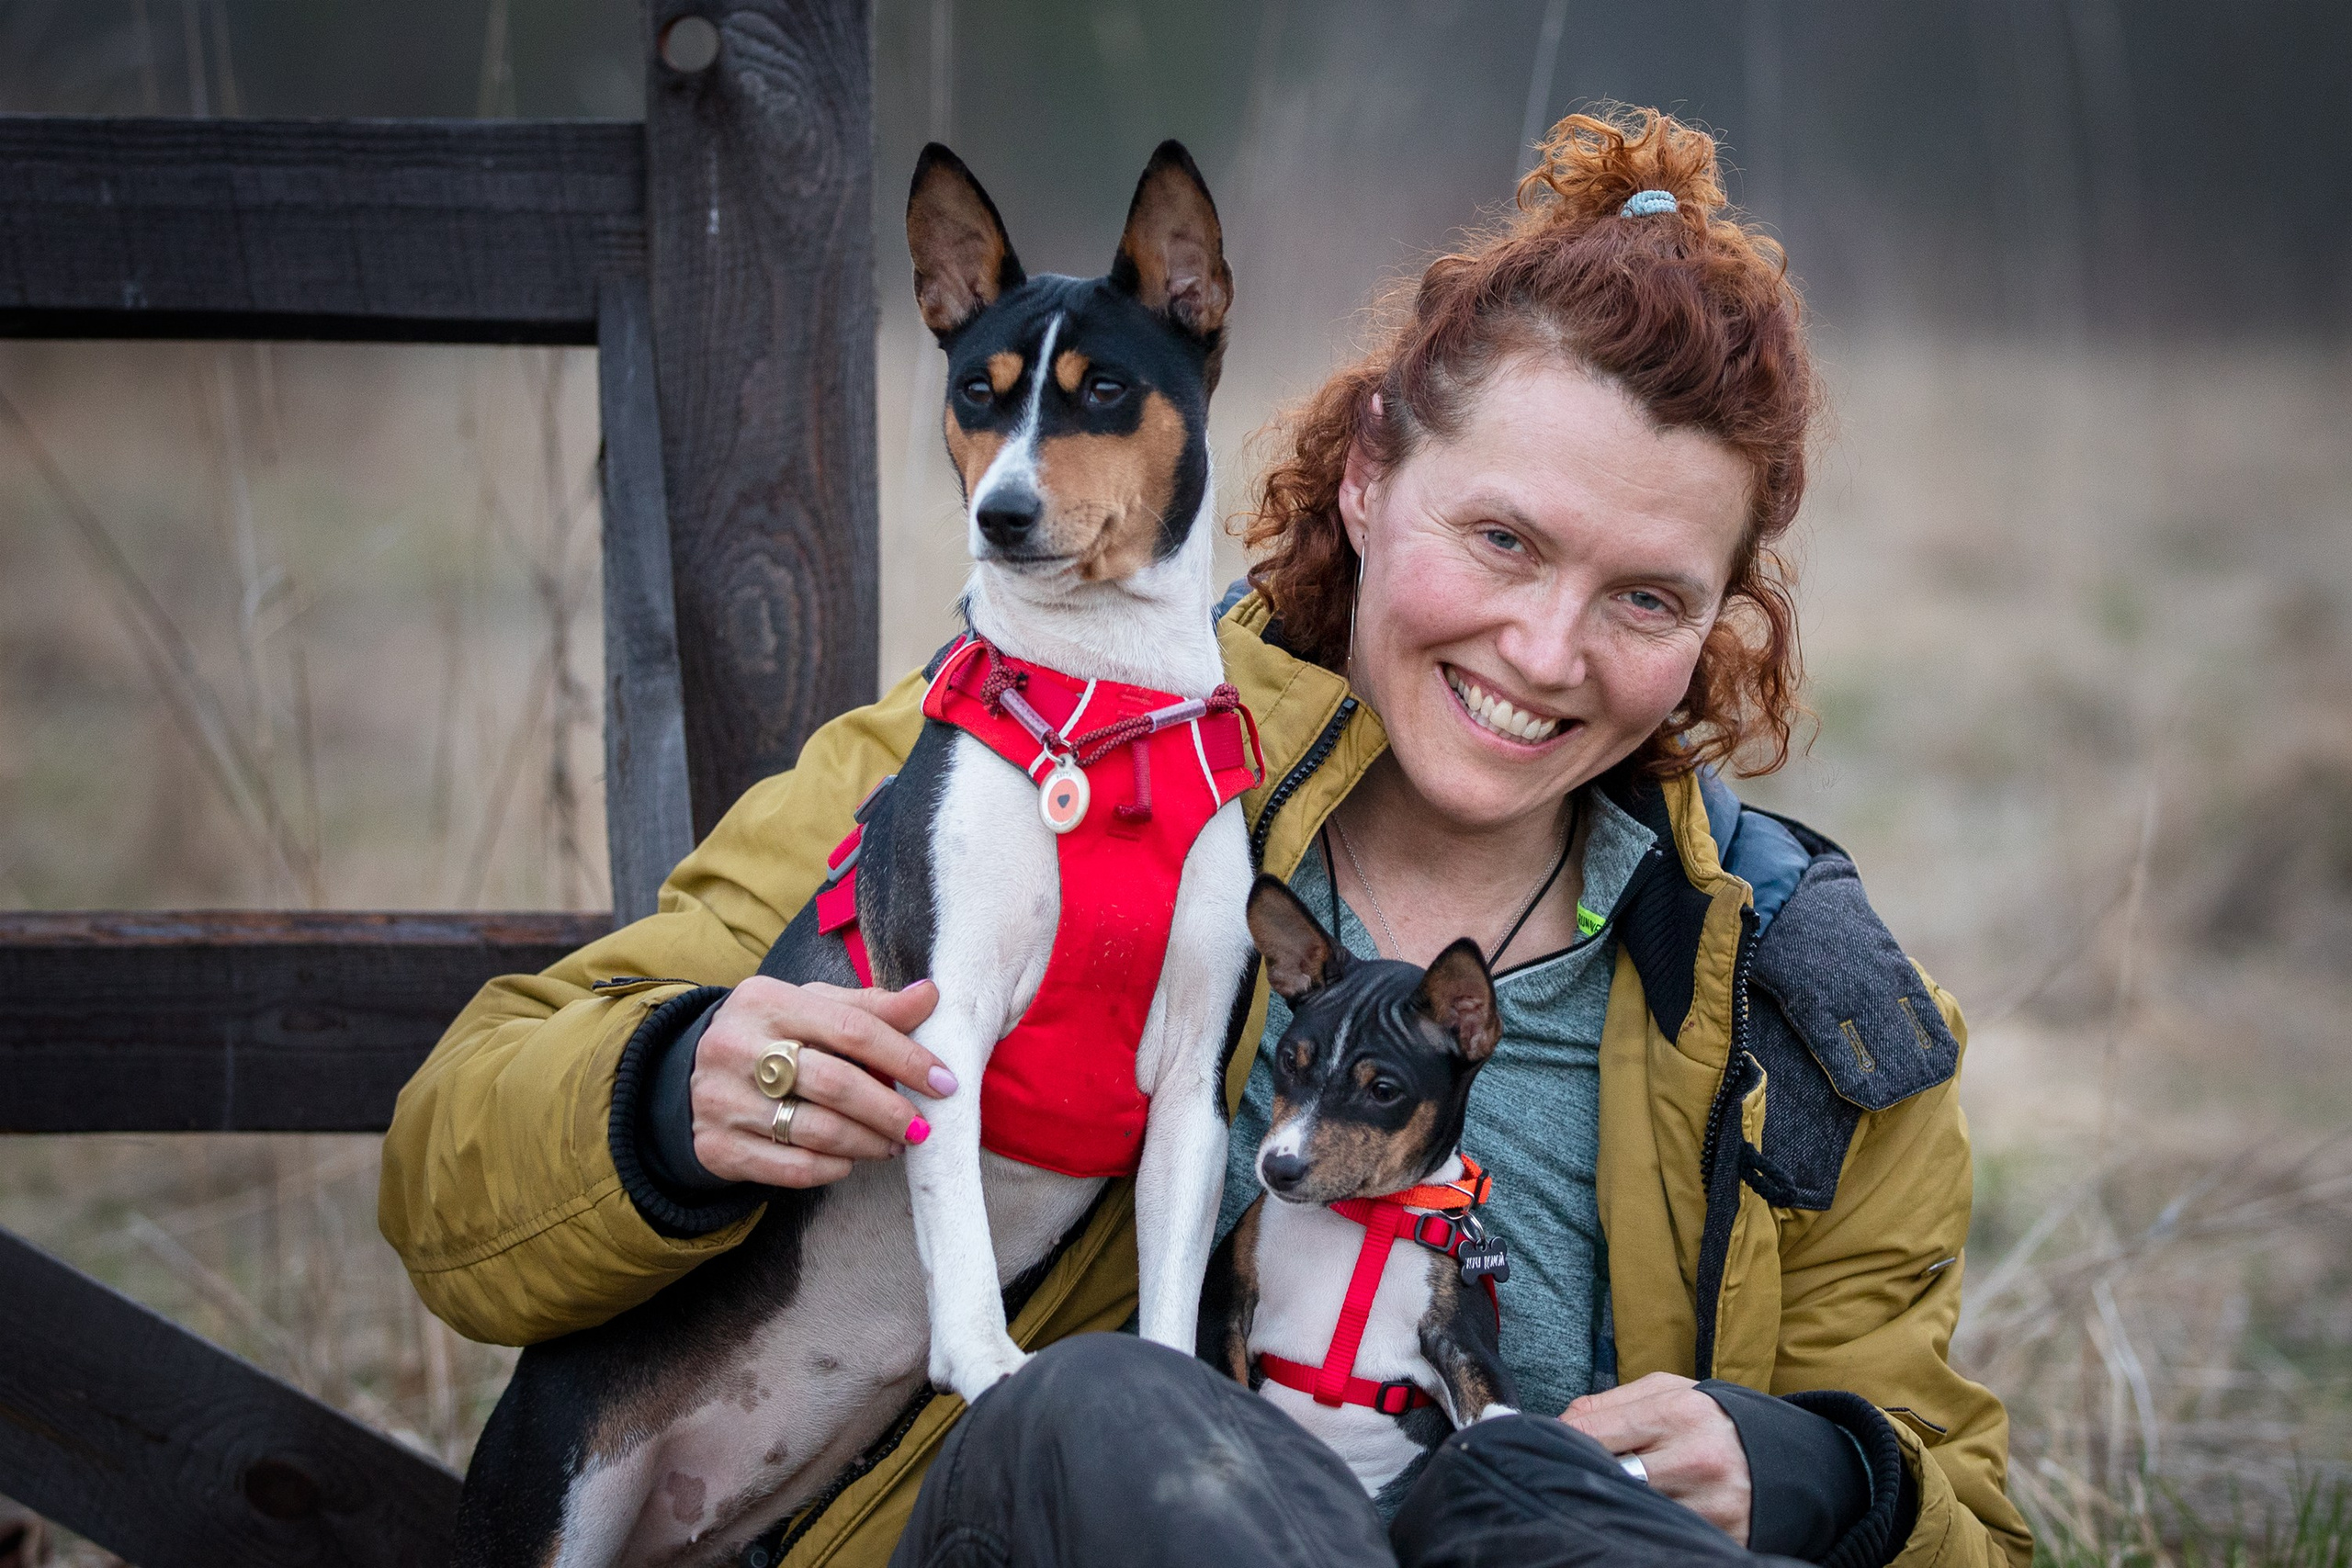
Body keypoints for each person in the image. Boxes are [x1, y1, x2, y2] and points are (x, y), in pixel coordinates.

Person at [380, 108, 2031, 1568]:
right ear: (1370, 478)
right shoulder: (1013, 755)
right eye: (1504, 539)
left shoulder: (1799, 1004)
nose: (1545, 651)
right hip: (1030, 1519)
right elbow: (455, 1168)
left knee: (1520, 1491)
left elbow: (1972, 1516)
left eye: (1647, 597)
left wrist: (1819, 1475)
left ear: (1717, 622)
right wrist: (681, 1095)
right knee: (1117, 1413)